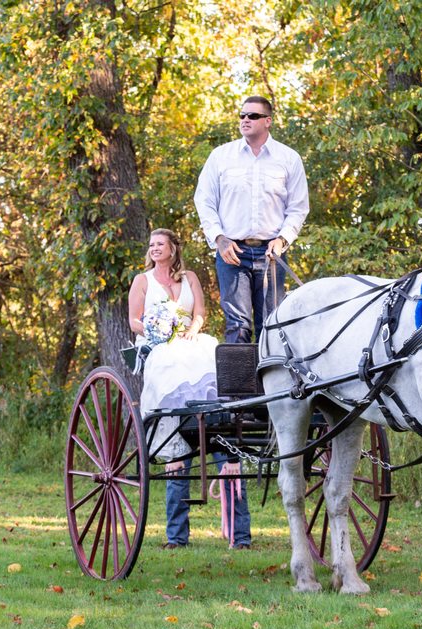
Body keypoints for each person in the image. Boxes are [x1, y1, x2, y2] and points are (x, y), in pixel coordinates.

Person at [127, 228, 252, 550]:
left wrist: (190, 330)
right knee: (171, 360)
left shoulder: (189, 277)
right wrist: (159, 330)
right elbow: (134, 321)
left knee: (214, 354)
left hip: (189, 339)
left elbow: (200, 313)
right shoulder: (143, 281)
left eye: (160, 244)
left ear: (172, 248)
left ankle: (217, 418)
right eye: (151, 244)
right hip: (157, 346)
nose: (155, 248)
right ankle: (176, 534)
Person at [194, 95, 310, 343]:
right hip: (232, 252)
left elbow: (298, 207)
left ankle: (272, 383)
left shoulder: (289, 158)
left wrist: (282, 239)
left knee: (273, 324)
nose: (245, 120)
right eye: (242, 115)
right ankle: (240, 383)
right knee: (238, 326)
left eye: (253, 116)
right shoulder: (220, 156)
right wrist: (219, 238)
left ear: (268, 121)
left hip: (272, 253)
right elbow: (204, 201)